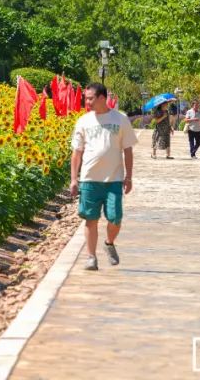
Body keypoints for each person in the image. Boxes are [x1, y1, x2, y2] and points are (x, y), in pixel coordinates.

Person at [70, 82, 137, 271]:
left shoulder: (120, 119)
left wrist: (129, 177)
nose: (87, 102)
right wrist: (74, 179)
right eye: (86, 98)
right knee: (90, 219)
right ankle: (91, 257)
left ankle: (109, 243)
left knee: (115, 218)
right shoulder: (83, 121)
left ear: (102, 98)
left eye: (90, 98)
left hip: (113, 179)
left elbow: (128, 150)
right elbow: (77, 153)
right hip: (89, 179)